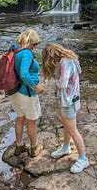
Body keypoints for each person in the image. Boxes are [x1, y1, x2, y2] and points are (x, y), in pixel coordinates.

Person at [41, 43, 90, 174]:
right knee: (67, 126)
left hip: (68, 100)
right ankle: (66, 147)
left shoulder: (64, 62)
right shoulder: (71, 58)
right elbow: (78, 72)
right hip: (71, 97)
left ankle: (83, 158)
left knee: (73, 130)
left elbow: (62, 84)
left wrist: (55, 79)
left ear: (51, 55)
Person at [11, 29, 44, 157]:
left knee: (20, 118)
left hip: (15, 91)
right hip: (27, 93)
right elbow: (24, 73)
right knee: (31, 121)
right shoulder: (26, 53)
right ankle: (34, 148)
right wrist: (35, 87)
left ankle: (19, 146)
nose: (35, 47)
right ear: (29, 41)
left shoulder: (15, 51)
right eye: (34, 44)